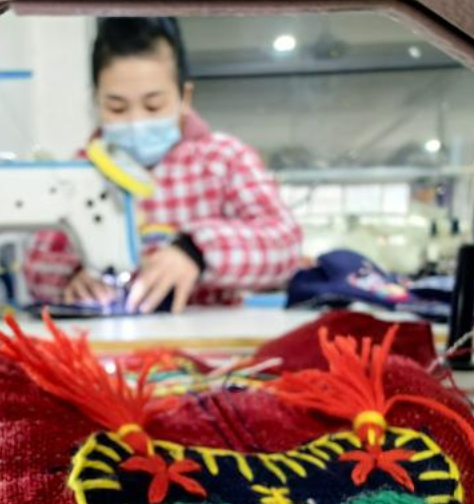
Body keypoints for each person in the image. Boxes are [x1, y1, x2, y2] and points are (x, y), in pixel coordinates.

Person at [24, 17, 303, 314]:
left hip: (210, 342)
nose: (135, 121)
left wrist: (197, 251)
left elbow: (284, 244)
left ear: (185, 97)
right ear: (96, 101)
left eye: (153, 105)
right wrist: (72, 279)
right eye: (116, 107)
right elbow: (35, 269)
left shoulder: (224, 160)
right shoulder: (78, 173)